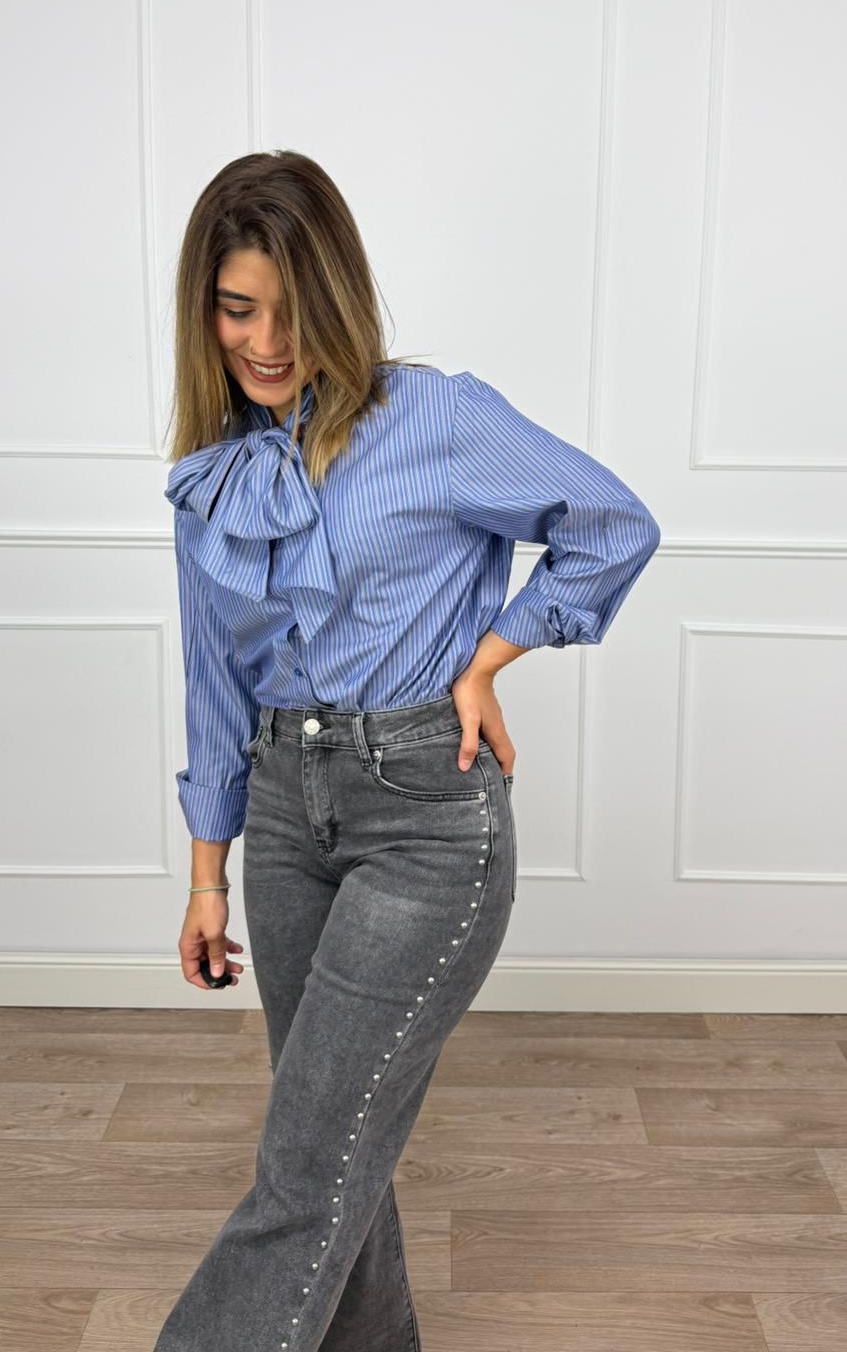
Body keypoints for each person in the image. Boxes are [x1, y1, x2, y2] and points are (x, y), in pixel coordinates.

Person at [152, 150, 661, 1352]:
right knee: (335, 1149)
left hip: (425, 815)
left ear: (338, 295)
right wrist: (206, 876)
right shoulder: (216, 476)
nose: (266, 341)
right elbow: (213, 682)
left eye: (290, 308)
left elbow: (613, 526)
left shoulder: (435, 416)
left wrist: (489, 658)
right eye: (237, 309)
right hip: (284, 812)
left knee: (304, 1169)